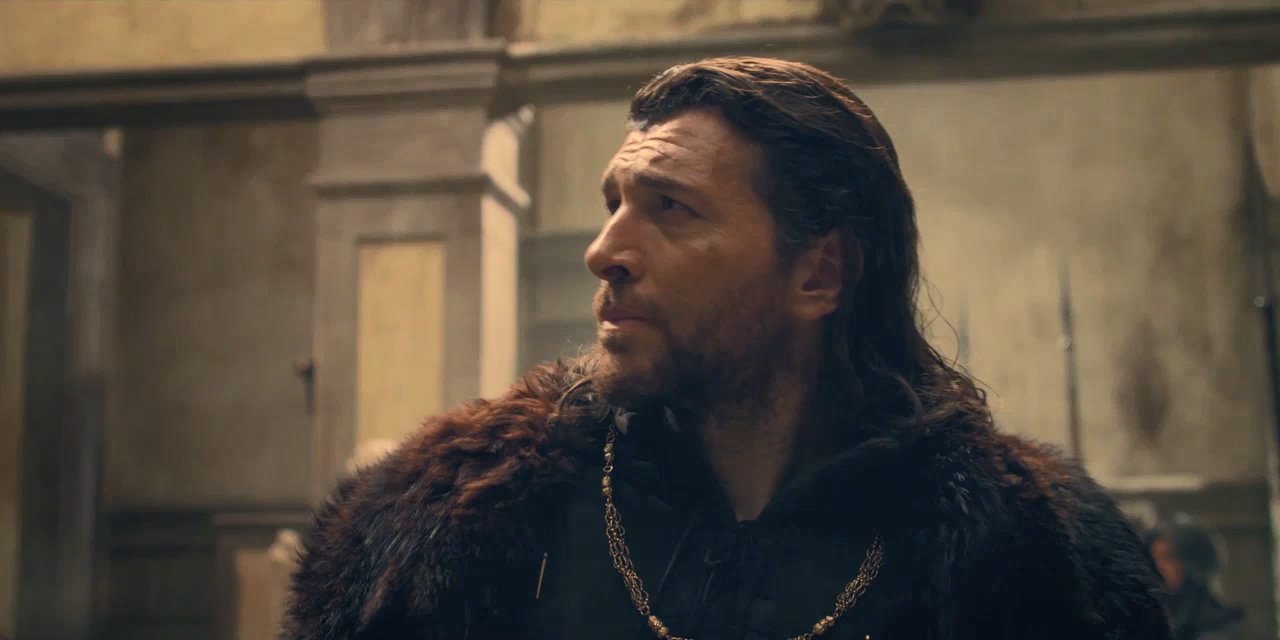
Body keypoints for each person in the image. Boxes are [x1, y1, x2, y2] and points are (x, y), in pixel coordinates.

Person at [284, 57, 1171, 639]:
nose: (605, 251)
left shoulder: (1029, 559)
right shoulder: (451, 524)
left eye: (671, 208)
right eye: (614, 204)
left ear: (819, 273)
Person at [1146, 514, 1246, 640]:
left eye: (1168, 557)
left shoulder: (1222, 627)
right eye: (1153, 558)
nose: (1158, 567)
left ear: (1193, 565)